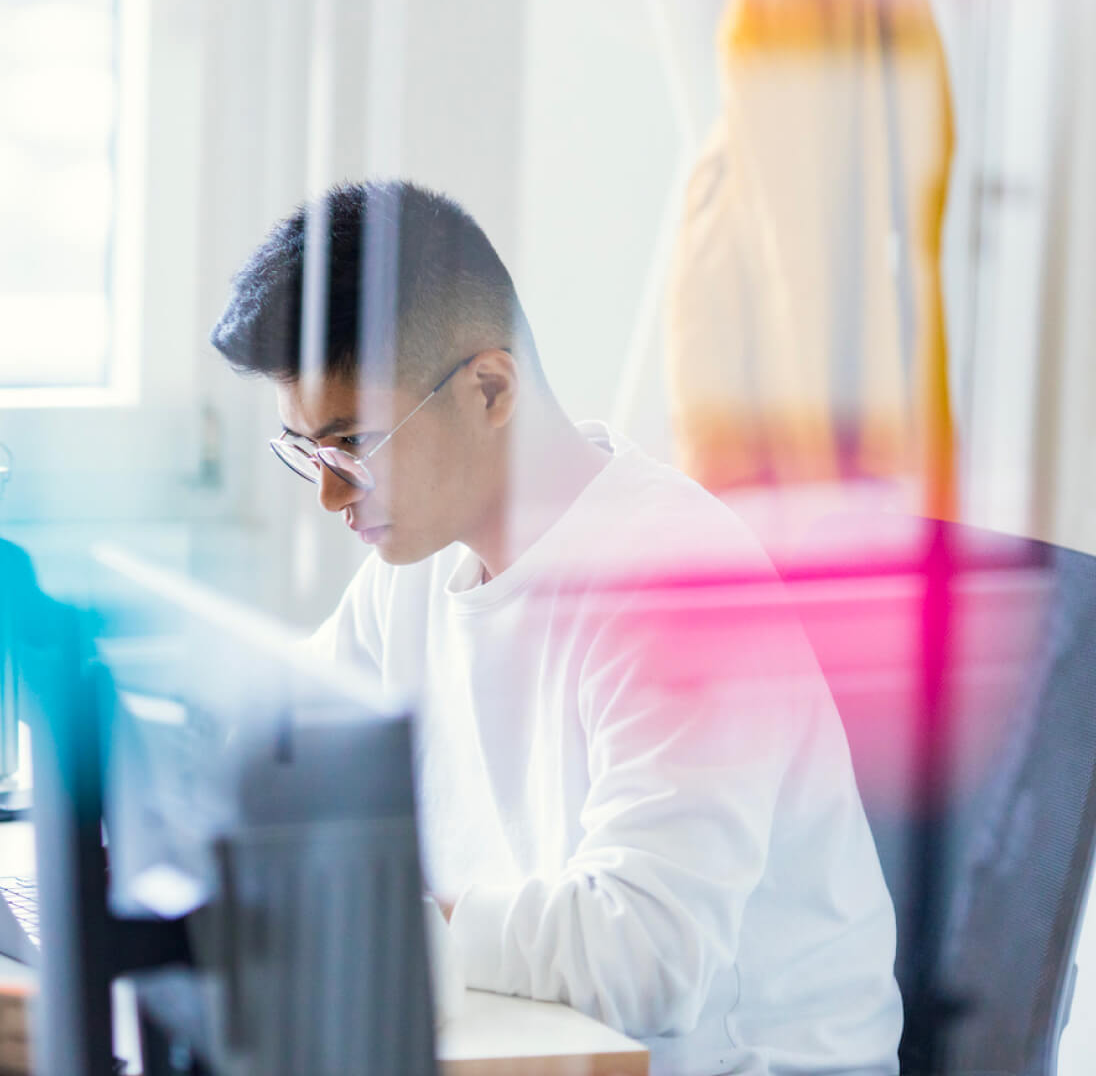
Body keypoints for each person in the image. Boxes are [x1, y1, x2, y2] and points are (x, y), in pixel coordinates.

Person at [207, 180, 901, 1075]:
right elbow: (280, 741)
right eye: (308, 454)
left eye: (352, 447)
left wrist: (373, 920)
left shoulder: (676, 588)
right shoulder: (416, 563)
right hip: (538, 1043)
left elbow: (646, 957)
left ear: (490, 389)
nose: (332, 494)